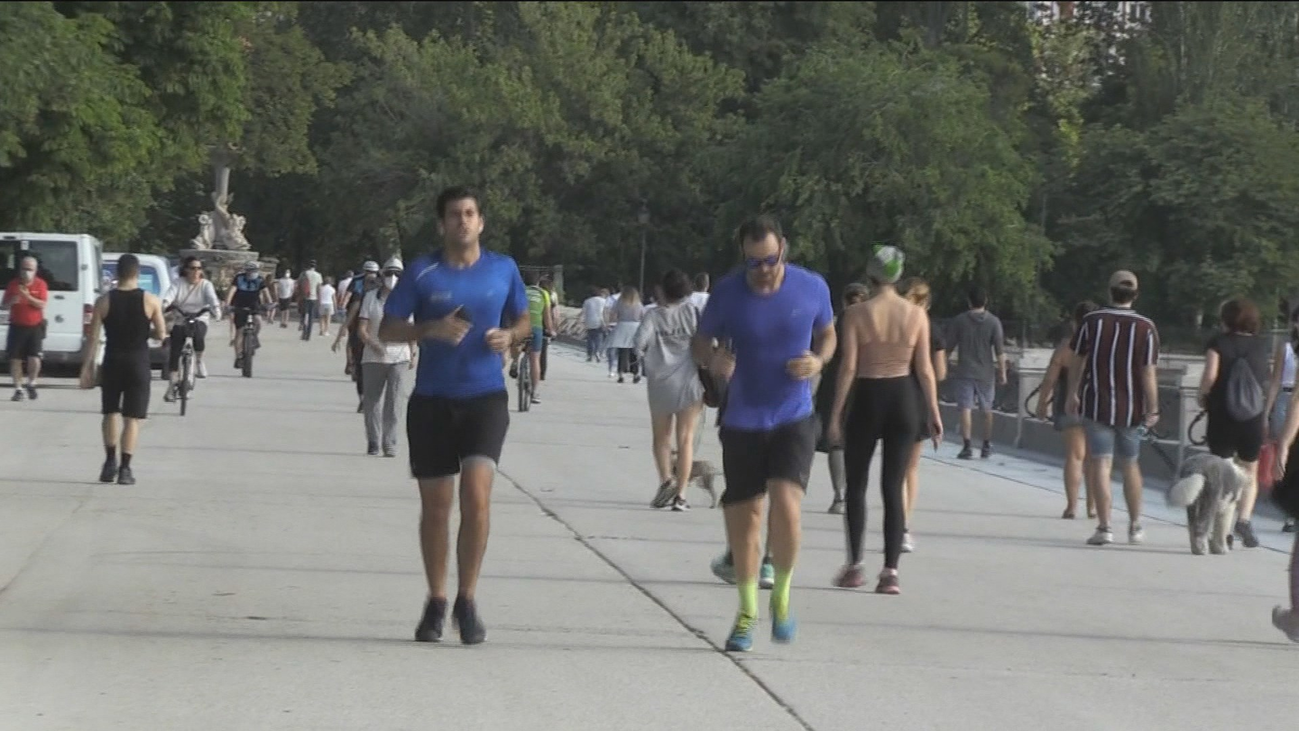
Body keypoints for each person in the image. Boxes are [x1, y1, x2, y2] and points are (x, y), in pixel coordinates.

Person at [378, 186, 529, 646]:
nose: (463, 221)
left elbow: (524, 320)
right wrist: (428, 329)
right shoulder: (423, 273)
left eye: (470, 213)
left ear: (481, 222)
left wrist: (510, 336)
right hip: (431, 401)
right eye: (454, 215)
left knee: (478, 497)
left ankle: (468, 597)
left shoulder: (503, 268)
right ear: (441, 224)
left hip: (484, 397)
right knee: (436, 508)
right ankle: (437, 599)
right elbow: (386, 328)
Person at [691, 214, 835, 653]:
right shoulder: (728, 293)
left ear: (783, 250)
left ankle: (784, 597)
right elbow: (701, 340)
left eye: (769, 260)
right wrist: (713, 359)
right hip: (743, 418)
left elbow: (828, 334)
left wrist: (818, 361)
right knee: (746, 519)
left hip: (793, 414)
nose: (763, 270)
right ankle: (747, 610)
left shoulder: (812, 286)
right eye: (754, 263)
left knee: (787, 507)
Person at [827, 247, 941, 594]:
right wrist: (933, 412)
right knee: (893, 486)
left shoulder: (857, 314)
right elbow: (924, 368)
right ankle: (890, 571)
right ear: (899, 274)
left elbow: (848, 366)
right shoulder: (916, 315)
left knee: (857, 485)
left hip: (867, 396)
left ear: (870, 274)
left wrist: (835, 414)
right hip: (904, 398)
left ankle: (855, 564)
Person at [1066, 270, 1160, 546]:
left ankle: (1105, 527)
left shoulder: (1091, 322)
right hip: (1132, 408)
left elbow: (1077, 361)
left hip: (1097, 403)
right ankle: (1135, 526)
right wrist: (1153, 407)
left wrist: (1072, 392)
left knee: (1100, 463)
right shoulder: (1146, 327)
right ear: (1136, 295)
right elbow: (1148, 372)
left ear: (1109, 292)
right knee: (1130, 464)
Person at [78, 254, 167, 485]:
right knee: (132, 418)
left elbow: (94, 337)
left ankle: (109, 462)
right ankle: (126, 469)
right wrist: (146, 332)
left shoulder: (104, 301)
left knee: (110, 412)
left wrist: (87, 367)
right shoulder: (150, 300)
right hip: (138, 361)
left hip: (113, 360)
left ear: (117, 274)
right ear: (137, 273)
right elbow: (161, 333)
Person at [1196, 297, 1269, 549]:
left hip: (1222, 416)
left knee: (1222, 472)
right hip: (1252, 417)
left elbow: (1210, 376)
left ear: (1226, 318)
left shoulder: (1218, 343)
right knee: (1250, 470)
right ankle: (1245, 520)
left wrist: (1202, 396)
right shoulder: (1261, 346)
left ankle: (1221, 530)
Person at [636, 269, 706, 511]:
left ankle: (666, 479)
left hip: (660, 385)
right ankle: (682, 495)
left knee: (661, 437)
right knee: (686, 439)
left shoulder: (653, 316)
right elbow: (707, 343)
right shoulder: (692, 312)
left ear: (663, 291)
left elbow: (639, 344)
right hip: (689, 383)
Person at [1036, 301, 1100, 520]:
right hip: (1096, 407)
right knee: (1094, 458)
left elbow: (1050, 379)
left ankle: (1072, 506)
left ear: (1074, 321)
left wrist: (1042, 402)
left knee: (1075, 456)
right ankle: (1092, 507)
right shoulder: (1101, 346)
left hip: (1067, 406)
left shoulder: (1065, 347)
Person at [899, 277, 947, 552]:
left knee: (892, 468)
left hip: (890, 393)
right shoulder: (932, 330)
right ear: (926, 303)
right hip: (917, 400)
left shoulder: (893, 323)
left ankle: (893, 521)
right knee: (910, 469)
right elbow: (938, 372)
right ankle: (904, 526)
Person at [813, 282, 870, 514]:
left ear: (844, 301)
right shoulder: (872, 326)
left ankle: (839, 496)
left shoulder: (835, 326)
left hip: (834, 386)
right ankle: (854, 493)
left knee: (836, 442)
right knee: (858, 443)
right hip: (865, 385)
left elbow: (822, 355)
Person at [358, 258, 415, 457]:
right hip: (374, 357)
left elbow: (411, 328)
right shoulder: (371, 298)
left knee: (395, 401)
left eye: (397, 274)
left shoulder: (407, 300)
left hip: (399, 356)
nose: (393, 278)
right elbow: (362, 329)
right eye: (389, 273)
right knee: (372, 400)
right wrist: (373, 344)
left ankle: (389, 443)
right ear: (382, 276)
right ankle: (374, 441)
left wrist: (413, 350)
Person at [947, 287, 1006, 459]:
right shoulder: (994, 322)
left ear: (968, 301)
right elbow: (1000, 351)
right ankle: (986, 445)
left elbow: (948, 348)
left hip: (964, 370)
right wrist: (1002, 372)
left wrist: (942, 367)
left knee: (965, 408)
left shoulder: (959, 321)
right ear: (985, 301)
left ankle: (967, 446)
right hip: (986, 372)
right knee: (987, 409)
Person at [161, 256, 222, 400]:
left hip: (199, 317)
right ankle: (171, 386)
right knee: (175, 352)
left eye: (199, 268)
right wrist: (164, 305)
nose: (196, 271)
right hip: (181, 317)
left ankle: (199, 360)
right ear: (186, 270)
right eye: (192, 268)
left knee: (198, 334)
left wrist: (216, 311)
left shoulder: (205, 285)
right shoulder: (178, 283)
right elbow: (169, 297)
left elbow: (212, 299)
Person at [1266, 299, 1299, 534]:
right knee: (1285, 453)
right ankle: (1290, 513)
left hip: (1294, 401)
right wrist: (1267, 409)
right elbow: (1276, 380)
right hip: (1287, 398)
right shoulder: (1286, 348)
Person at [333, 261, 380, 412]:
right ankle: (367, 397)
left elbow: (351, 303)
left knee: (362, 365)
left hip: (365, 326)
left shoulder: (360, 282)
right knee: (366, 365)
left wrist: (341, 331)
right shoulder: (376, 283)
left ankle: (365, 397)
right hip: (368, 326)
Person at [3, 255, 48, 401]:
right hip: (17, 325)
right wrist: (11, 301)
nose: (26, 272)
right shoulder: (13, 284)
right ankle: (18, 389)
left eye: (29, 269)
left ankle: (31, 383)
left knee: (34, 358)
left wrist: (27, 297)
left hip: (34, 326)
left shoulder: (40, 284)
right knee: (15, 359)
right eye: (24, 269)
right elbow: (3, 305)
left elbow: (42, 304)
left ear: (35, 271)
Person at [224, 261, 271, 370]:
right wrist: (227, 304)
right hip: (239, 305)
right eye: (250, 271)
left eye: (255, 271)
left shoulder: (259, 279)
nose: (253, 273)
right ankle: (238, 356)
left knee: (258, 321)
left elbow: (265, 292)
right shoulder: (239, 278)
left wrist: (269, 304)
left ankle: (254, 336)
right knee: (239, 331)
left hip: (254, 304)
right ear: (246, 271)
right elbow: (232, 291)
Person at [516, 271, 553, 403]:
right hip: (536, 327)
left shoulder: (520, 291)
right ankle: (534, 392)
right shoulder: (544, 293)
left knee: (516, 346)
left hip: (520, 325)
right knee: (535, 359)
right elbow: (547, 315)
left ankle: (515, 363)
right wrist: (551, 330)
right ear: (538, 282)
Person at [608, 286, 644, 384]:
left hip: (622, 325)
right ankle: (635, 373)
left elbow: (613, 315)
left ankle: (621, 374)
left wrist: (612, 323)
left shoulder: (619, 303)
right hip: (635, 327)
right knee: (634, 352)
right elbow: (642, 316)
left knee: (622, 351)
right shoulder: (638, 304)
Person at [581, 287, 609, 362]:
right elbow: (605, 312)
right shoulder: (603, 301)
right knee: (599, 338)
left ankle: (590, 355)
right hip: (600, 321)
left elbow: (584, 312)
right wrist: (606, 322)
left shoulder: (587, 301)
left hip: (589, 321)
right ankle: (597, 352)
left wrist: (582, 321)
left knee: (590, 339)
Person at [297, 260, 323, 340]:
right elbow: (319, 288)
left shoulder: (303, 274)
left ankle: (304, 333)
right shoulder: (318, 275)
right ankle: (308, 335)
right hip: (313, 298)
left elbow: (299, 286)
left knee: (304, 315)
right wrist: (319, 300)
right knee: (311, 317)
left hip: (304, 298)